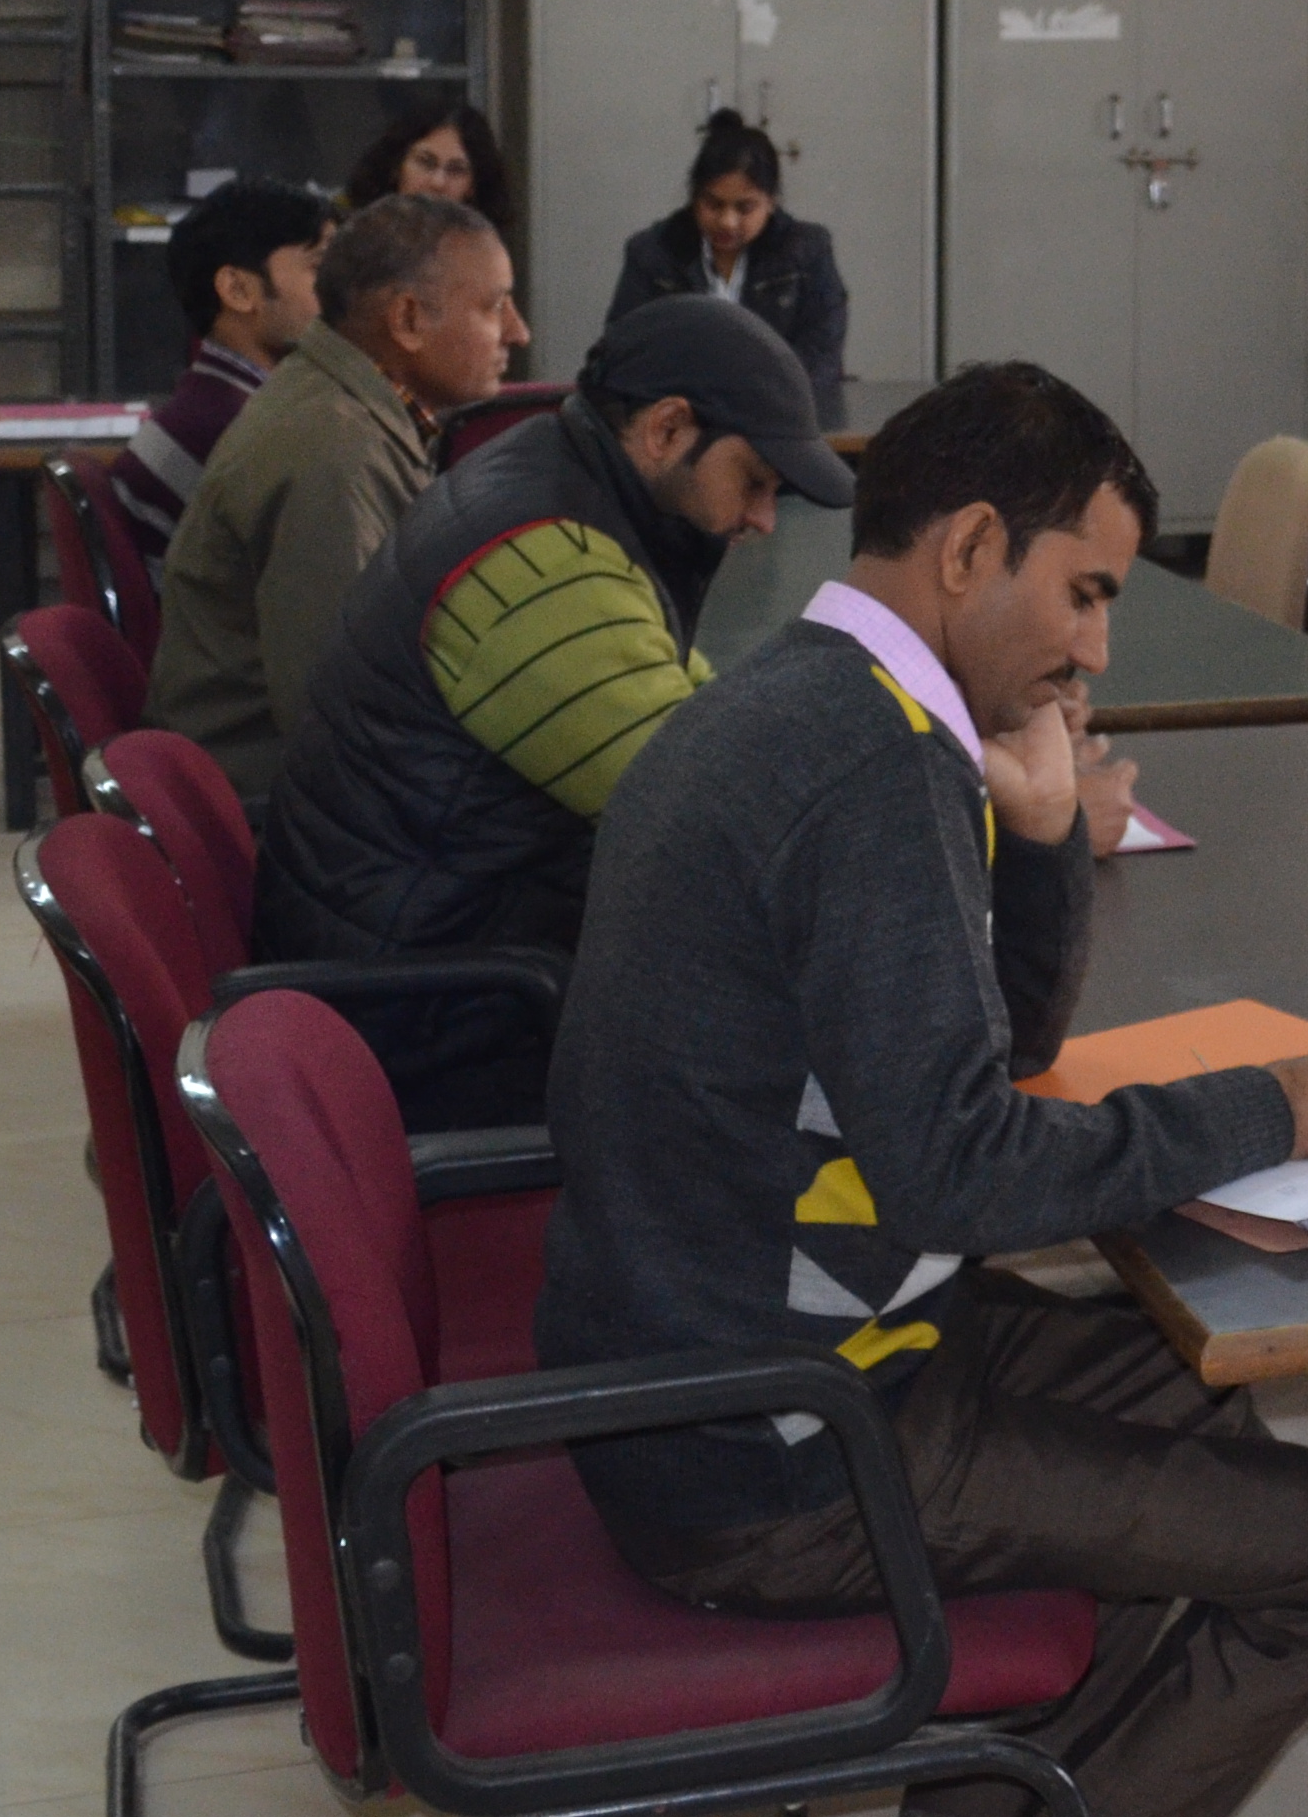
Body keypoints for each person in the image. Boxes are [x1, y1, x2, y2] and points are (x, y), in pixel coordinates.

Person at [540, 363, 1308, 1817]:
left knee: (1192, 1390)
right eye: (1084, 592)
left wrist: (1047, 831)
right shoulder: (869, 769)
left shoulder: (805, 701)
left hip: (734, 1350)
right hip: (780, 1437)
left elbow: (986, 1051)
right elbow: (962, 1170)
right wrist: (1273, 1110)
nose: (1095, 648)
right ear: (969, 548)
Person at [253, 299, 850, 1126]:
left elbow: (699, 715)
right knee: (821, 1081)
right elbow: (728, 821)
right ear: (667, 429)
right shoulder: (542, 564)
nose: (762, 519)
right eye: (753, 480)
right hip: (436, 1030)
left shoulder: (546, 482)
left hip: (429, 964)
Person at [147, 193, 529, 804]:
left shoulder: (347, 409)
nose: (518, 331)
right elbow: (340, 714)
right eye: (494, 306)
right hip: (276, 805)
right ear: (408, 321)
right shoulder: (333, 453)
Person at [103, 181, 335, 562]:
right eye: (320, 268)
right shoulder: (238, 433)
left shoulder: (213, 403)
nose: (342, 291)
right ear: (238, 290)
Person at [608, 115, 850, 423]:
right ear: (694, 197)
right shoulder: (653, 253)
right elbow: (625, 350)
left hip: (782, 418)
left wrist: (761, 402)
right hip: (681, 419)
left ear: (771, 201)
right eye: (713, 204)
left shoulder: (807, 251)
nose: (727, 222)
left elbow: (821, 354)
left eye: (744, 208)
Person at [340, 97, 507, 227]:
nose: (438, 183)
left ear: (473, 187)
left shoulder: (485, 254)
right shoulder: (353, 241)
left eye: (456, 170)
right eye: (426, 163)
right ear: (396, 166)